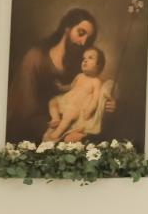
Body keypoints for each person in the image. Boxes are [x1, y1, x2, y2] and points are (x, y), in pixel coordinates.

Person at [7, 8, 100, 144]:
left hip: (70, 130)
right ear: (67, 28)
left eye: (88, 38)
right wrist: (64, 136)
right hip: (32, 134)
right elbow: (26, 110)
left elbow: (89, 96)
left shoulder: (79, 65)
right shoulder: (35, 58)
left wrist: (106, 101)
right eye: (81, 33)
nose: (84, 42)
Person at [43, 45, 109, 144]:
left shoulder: (96, 81)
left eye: (90, 58)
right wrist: (61, 87)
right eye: (84, 58)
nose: (85, 60)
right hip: (66, 100)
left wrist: (90, 109)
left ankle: (57, 133)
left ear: (98, 65)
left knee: (69, 116)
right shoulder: (79, 76)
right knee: (53, 101)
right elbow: (70, 86)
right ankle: (55, 118)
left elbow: (96, 98)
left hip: (76, 107)